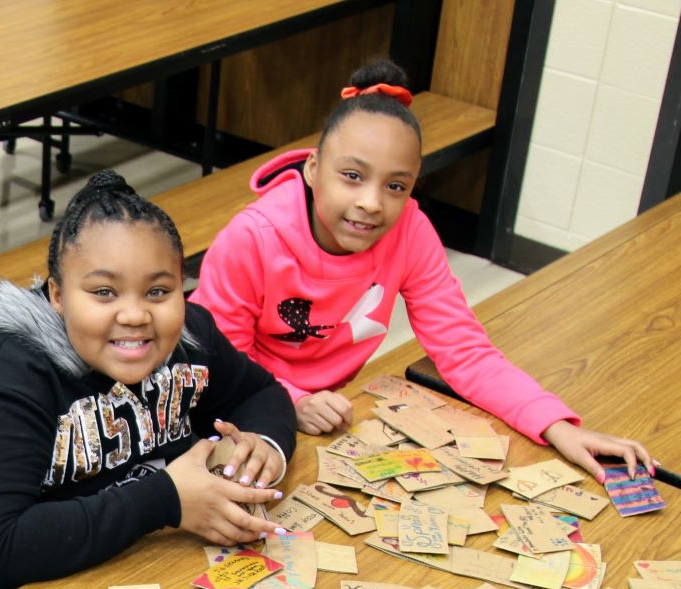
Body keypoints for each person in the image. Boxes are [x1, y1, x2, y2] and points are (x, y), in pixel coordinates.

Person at [191, 59, 653, 478]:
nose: (372, 202)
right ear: (313, 168)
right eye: (352, 176)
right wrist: (294, 402)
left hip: (329, 414)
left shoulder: (410, 229)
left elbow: (464, 350)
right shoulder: (250, 239)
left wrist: (556, 426)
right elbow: (215, 365)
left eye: (396, 185)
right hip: (227, 406)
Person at [0, 170, 298, 589]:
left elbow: (260, 393)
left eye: (158, 291)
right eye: (104, 292)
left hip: (133, 564)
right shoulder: (2, 375)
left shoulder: (189, 335)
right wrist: (165, 500)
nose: (135, 315)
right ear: (58, 295)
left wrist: (262, 448)